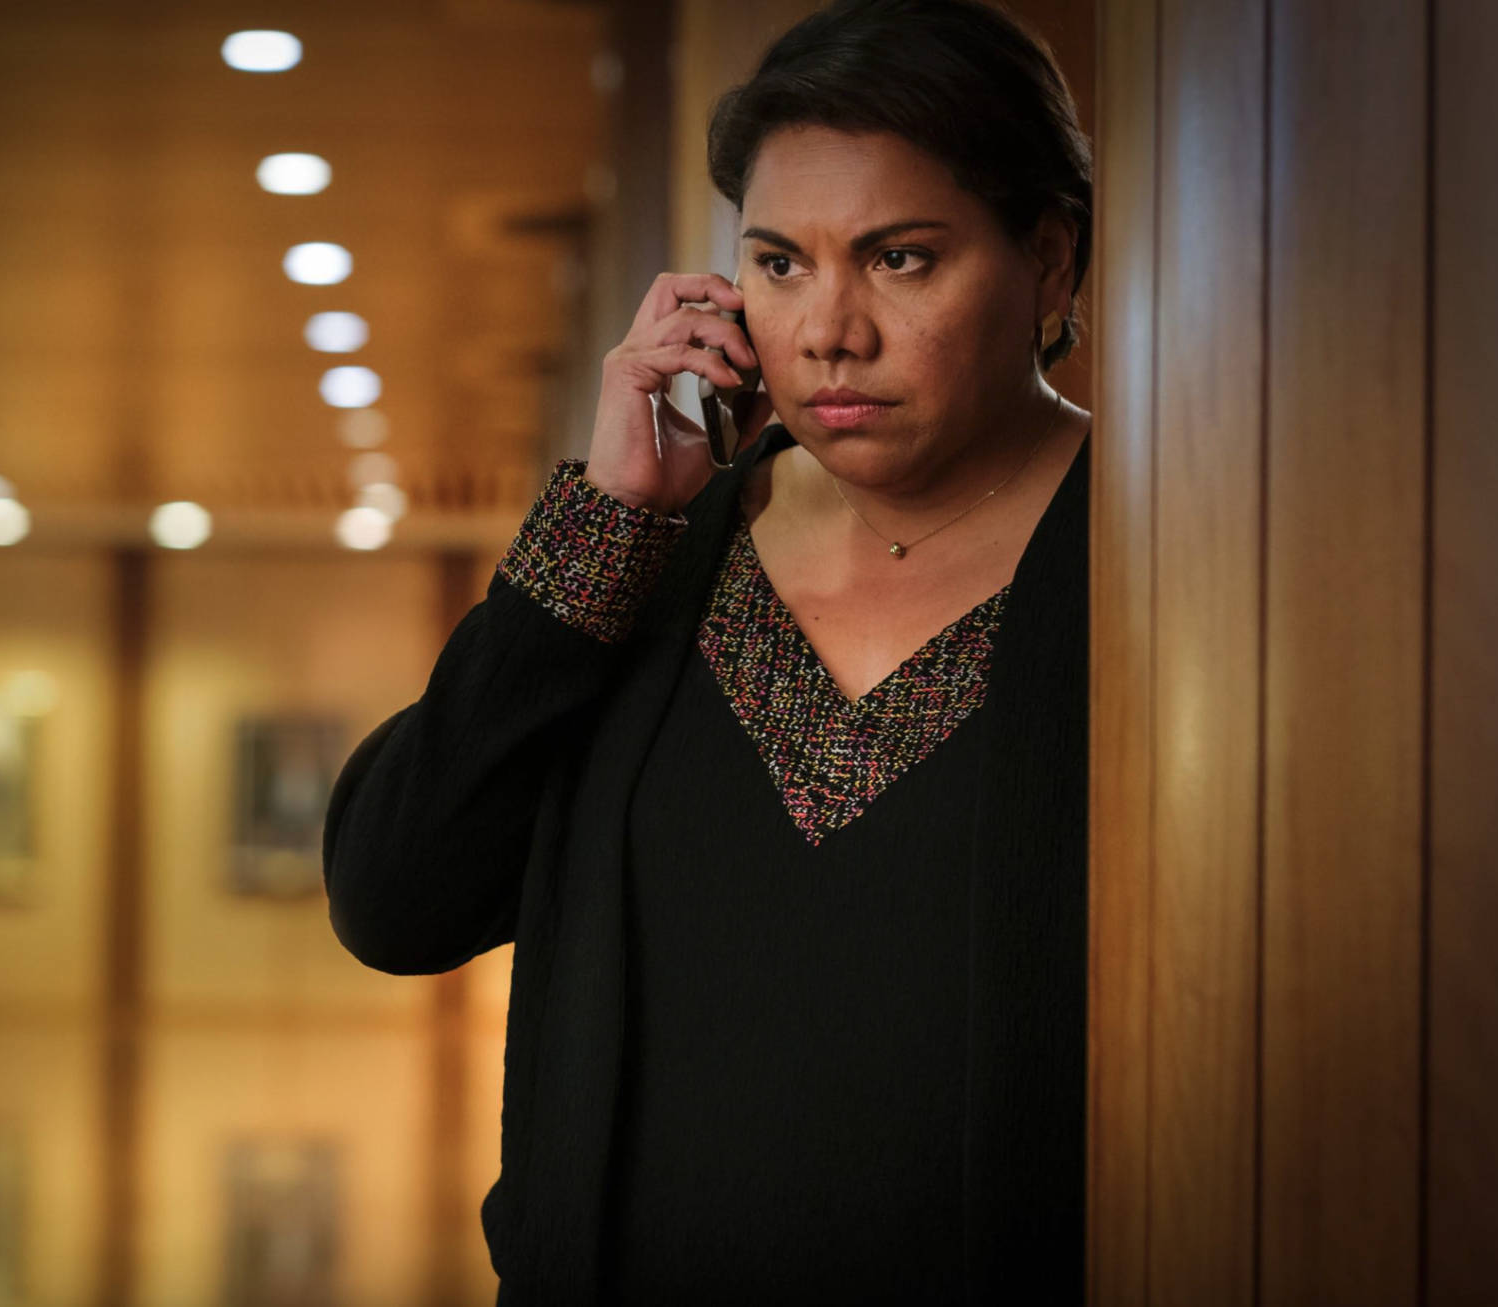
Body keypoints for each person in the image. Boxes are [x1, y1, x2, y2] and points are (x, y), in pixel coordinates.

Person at [322, 0, 1093, 1300]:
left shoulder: (1162, 564)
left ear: (1051, 262)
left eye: (901, 259)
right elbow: (397, 899)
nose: (829, 329)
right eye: (781, 262)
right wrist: (609, 523)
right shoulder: (659, 566)